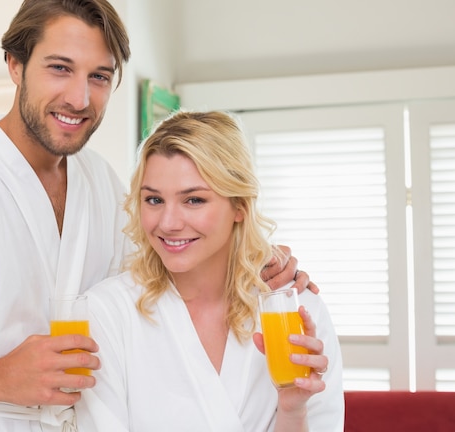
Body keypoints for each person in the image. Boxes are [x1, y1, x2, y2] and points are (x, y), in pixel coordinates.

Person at [0, 1, 313, 431]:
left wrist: (251, 257)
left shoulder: (103, 185)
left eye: (99, 76)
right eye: (60, 68)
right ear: (15, 65)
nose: (80, 99)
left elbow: (158, 276)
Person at [76, 110, 345, 432]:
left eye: (193, 200)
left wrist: (293, 411)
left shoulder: (298, 312)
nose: (169, 223)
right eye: (154, 200)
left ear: (240, 207)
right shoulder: (107, 313)